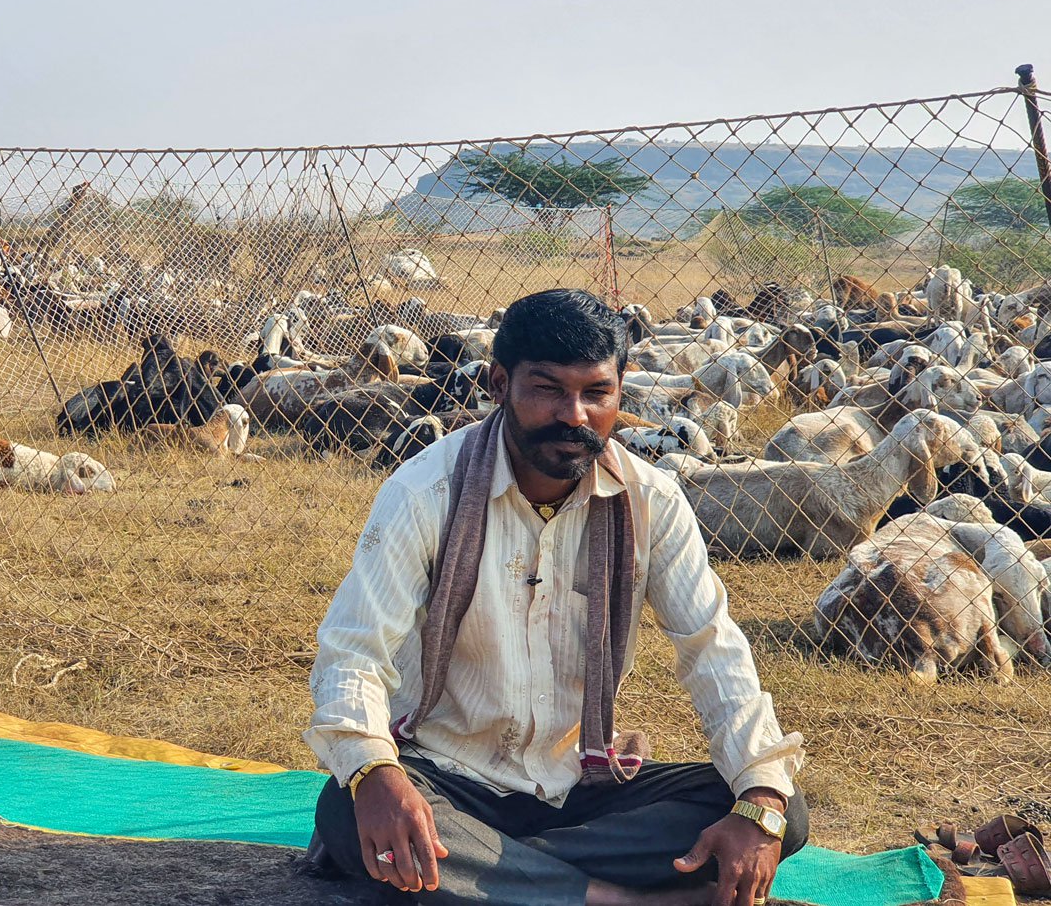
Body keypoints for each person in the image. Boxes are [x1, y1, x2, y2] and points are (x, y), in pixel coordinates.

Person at [305, 288, 807, 906]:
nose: (574, 414)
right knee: (346, 803)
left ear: (621, 391)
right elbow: (353, 653)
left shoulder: (651, 500)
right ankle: (622, 901)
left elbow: (712, 648)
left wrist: (759, 798)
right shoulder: (423, 493)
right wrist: (377, 775)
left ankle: (480, 877)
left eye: (597, 393)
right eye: (547, 389)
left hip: (579, 789)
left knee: (777, 810)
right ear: (498, 383)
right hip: (446, 774)